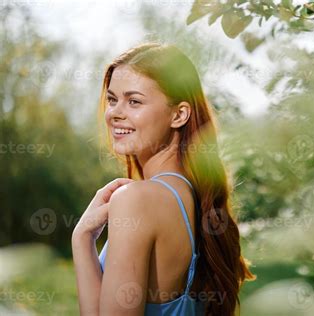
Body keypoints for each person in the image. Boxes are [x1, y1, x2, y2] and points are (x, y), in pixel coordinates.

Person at [71, 42, 256, 315]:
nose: (115, 113)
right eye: (112, 99)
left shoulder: (137, 199)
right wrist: (83, 236)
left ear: (178, 114)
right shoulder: (192, 196)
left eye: (134, 101)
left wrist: (80, 238)